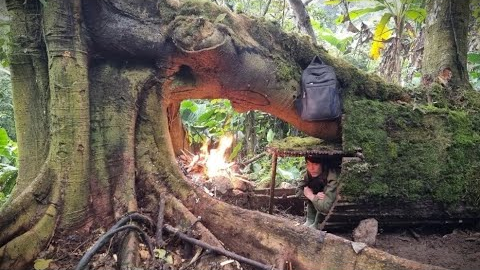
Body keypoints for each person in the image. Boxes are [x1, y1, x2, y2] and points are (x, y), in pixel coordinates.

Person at [295, 156, 338, 228]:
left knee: (320, 193)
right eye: (308, 164)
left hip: (331, 210)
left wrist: (312, 196)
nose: (311, 168)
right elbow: (298, 191)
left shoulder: (332, 177)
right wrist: (314, 195)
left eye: (315, 164)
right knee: (313, 187)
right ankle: (310, 220)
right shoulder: (310, 173)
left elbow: (326, 207)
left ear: (323, 164)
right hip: (320, 201)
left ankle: (317, 223)